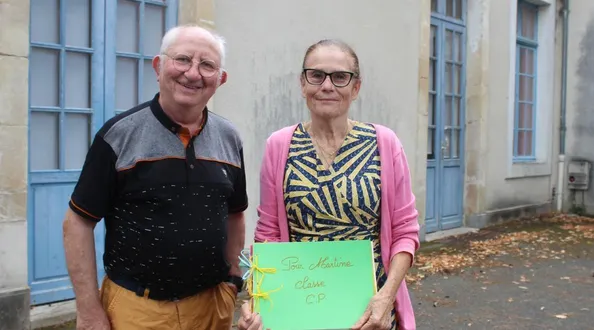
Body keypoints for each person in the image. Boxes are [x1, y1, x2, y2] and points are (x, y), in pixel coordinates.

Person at [62, 24, 248, 330]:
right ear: (158, 67)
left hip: (212, 309)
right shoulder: (118, 136)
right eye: (183, 59)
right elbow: (78, 222)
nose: (193, 73)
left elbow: (235, 214)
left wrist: (233, 280)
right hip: (136, 311)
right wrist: (88, 309)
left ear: (220, 79)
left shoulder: (229, 137)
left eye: (207, 65)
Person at [238, 39, 420, 330]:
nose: (327, 86)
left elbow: (405, 232)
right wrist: (259, 301)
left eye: (340, 77)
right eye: (316, 75)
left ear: (355, 87)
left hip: (370, 312)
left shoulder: (384, 143)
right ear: (302, 84)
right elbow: (268, 234)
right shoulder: (279, 145)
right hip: (300, 308)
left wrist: (386, 297)